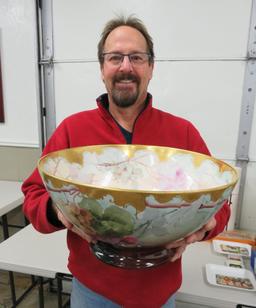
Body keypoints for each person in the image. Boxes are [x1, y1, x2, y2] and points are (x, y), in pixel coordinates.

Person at [22, 15, 230, 308]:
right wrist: (60, 212)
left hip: (160, 293)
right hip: (93, 291)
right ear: (102, 68)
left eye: (136, 57)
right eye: (115, 57)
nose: (126, 67)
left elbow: (221, 205)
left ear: (151, 67)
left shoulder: (182, 133)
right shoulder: (72, 130)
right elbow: (33, 196)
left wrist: (205, 226)